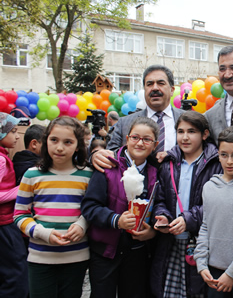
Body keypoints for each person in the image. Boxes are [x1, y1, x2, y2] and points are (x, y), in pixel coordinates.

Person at [14, 117, 93, 298]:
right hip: (40, 258)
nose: (59, 147)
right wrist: (43, 233)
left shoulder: (88, 175)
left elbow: (92, 209)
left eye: (68, 142)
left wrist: (82, 224)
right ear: (45, 140)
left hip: (76, 257)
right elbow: (19, 215)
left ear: (78, 145)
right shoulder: (32, 175)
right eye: (54, 140)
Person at [81, 117, 159, 297]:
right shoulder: (108, 166)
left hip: (137, 252)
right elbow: (90, 206)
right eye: (135, 137)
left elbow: (160, 205)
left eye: (147, 139)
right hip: (106, 250)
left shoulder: (156, 172)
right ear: (127, 138)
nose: (140, 143)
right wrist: (116, 220)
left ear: (154, 145)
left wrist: (153, 231)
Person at [152, 111, 222, 298]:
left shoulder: (216, 163)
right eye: (180, 131)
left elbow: (217, 203)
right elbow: (159, 199)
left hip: (201, 241)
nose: (185, 137)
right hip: (170, 241)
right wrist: (163, 215)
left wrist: (188, 219)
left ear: (204, 134)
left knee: (196, 290)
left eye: (191, 131)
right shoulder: (168, 162)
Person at [194, 126, 233, 297]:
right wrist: (201, 263)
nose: (229, 161)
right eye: (224, 155)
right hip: (213, 271)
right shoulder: (209, 187)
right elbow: (205, 226)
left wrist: (232, 272)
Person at [93, 65, 184, 171]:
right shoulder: (124, 123)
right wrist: (95, 157)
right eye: (149, 84)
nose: (155, 88)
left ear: (172, 90)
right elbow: (110, 156)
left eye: (161, 83)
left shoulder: (187, 120)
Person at [0, 113, 28, 298]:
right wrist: (22, 189)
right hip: (4, 224)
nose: (17, 136)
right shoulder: (1, 160)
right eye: (13, 131)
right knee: (17, 270)